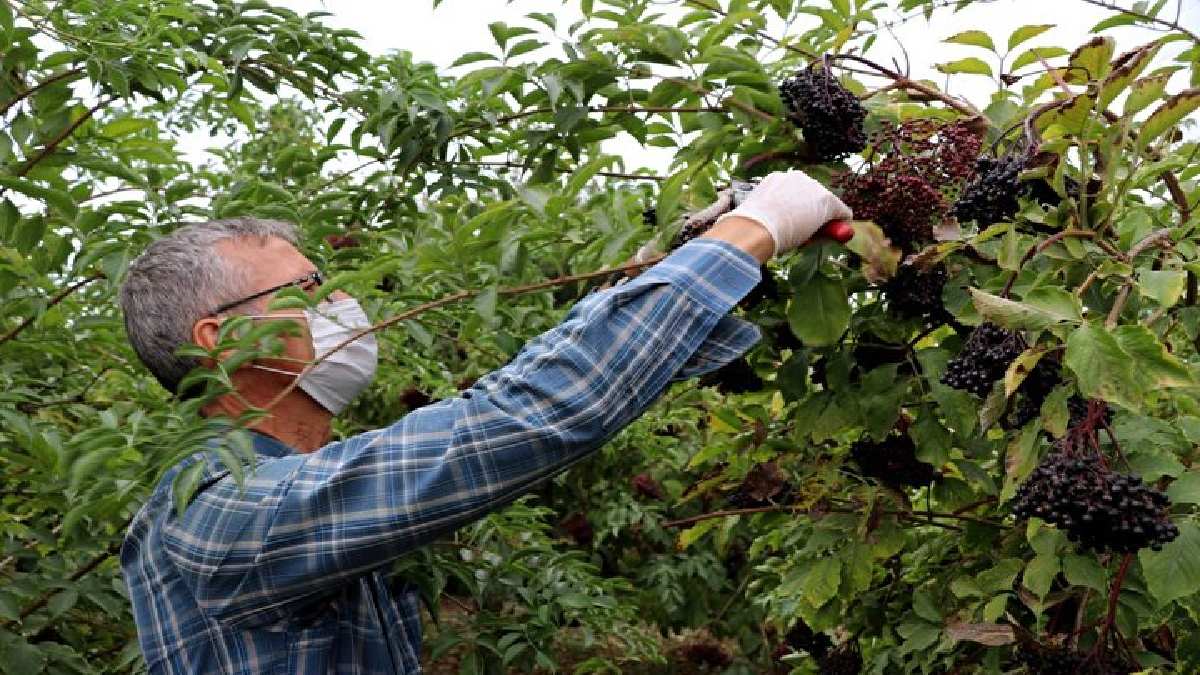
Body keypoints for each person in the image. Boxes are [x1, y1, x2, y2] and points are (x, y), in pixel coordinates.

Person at [117, 170, 851, 674]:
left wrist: (690, 255)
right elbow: (519, 419)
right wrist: (754, 231)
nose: (339, 302)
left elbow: (526, 395)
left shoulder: (286, 488)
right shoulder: (212, 509)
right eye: (308, 287)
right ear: (215, 340)